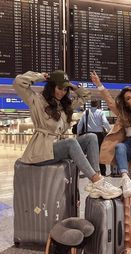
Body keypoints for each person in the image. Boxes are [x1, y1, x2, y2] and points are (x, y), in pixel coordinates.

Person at [13, 70, 122, 200]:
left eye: (65, 89)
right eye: (59, 88)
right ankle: (97, 180)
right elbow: (19, 82)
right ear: (52, 86)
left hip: (57, 147)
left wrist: (73, 86)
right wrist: (41, 77)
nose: (62, 92)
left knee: (91, 137)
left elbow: (85, 96)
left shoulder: (65, 106)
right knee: (71, 143)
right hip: (42, 150)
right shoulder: (36, 100)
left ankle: (96, 181)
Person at [76, 99, 111, 176]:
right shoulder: (100, 112)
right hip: (99, 135)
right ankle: (102, 172)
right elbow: (105, 122)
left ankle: (91, 172)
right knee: (100, 153)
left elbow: (80, 124)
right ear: (98, 104)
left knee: (90, 153)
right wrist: (109, 131)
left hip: (88, 134)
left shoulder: (86, 112)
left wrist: (78, 133)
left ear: (90, 104)